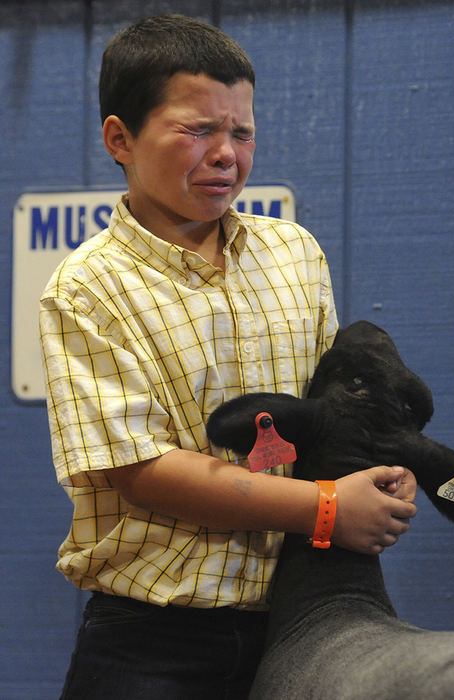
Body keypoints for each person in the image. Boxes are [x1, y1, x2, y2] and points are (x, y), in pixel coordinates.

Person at [39, 14, 417, 699]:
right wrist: (327, 508)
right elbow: (143, 471)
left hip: (301, 625)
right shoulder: (88, 287)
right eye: (196, 130)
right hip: (153, 639)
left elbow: (331, 411)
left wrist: (378, 473)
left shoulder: (292, 253)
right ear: (119, 139)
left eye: (240, 132)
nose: (225, 154)